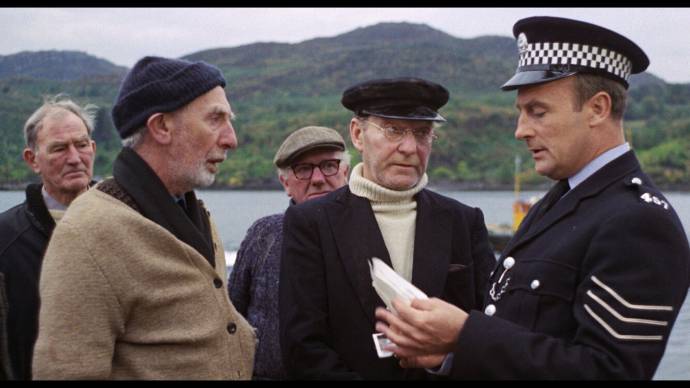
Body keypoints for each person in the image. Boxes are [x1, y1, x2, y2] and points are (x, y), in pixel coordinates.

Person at [374, 16, 690, 379]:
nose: (520, 131)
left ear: (598, 108)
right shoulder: (561, 202)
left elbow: (608, 371)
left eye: (538, 112)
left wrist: (464, 335)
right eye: (521, 113)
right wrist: (445, 352)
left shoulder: (639, 221)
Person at [32, 56, 256, 379]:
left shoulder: (197, 214)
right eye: (215, 119)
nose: (231, 138)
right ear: (161, 127)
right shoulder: (88, 234)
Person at [279, 77, 496, 380]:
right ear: (357, 134)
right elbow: (302, 347)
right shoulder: (311, 223)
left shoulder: (463, 221)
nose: (410, 147)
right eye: (394, 130)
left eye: (422, 133)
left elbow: (487, 331)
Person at [228, 125, 350, 380]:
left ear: (345, 173)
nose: (318, 178)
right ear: (285, 183)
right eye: (303, 169)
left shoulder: (367, 235)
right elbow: (231, 316)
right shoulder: (263, 235)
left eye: (329, 165)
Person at [0, 96, 97, 380]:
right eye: (59, 149)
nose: (75, 158)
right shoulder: (6, 238)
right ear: (33, 159)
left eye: (81, 145)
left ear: (92, 149)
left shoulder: (131, 224)